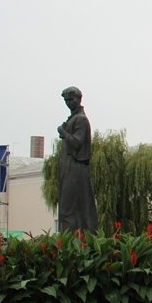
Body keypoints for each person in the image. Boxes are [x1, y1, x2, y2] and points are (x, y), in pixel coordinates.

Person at [56, 86, 99, 232]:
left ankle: (73, 238)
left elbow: (77, 143)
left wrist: (63, 132)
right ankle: (70, 237)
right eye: (66, 100)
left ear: (79, 99)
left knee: (68, 207)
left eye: (71, 99)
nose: (69, 103)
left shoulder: (80, 119)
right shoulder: (73, 119)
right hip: (68, 167)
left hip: (75, 167)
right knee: (66, 206)